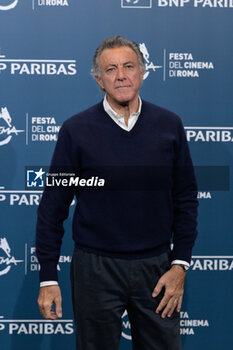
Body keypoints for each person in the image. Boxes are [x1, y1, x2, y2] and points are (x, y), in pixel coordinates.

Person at [36, 35, 198, 350]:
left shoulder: (169, 125)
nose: (121, 75)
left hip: (157, 268)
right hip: (94, 268)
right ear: (99, 80)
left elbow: (186, 198)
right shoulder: (76, 130)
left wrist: (180, 265)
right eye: (111, 70)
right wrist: (47, 277)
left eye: (128, 66)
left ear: (142, 71)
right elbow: (52, 207)